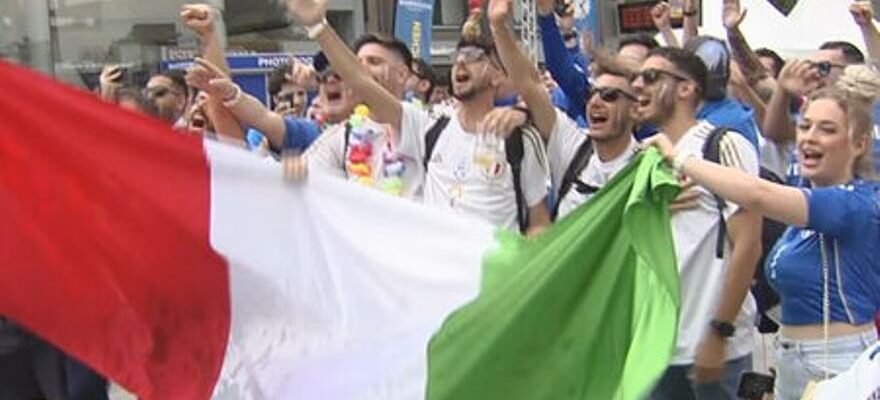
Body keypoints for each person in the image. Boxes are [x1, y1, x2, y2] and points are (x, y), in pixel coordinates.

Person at [646, 82, 880, 400]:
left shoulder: (854, 203)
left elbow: (757, 194)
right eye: (805, 125)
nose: (809, 137)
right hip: (792, 358)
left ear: (859, 144)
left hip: (837, 362)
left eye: (827, 129)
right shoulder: (808, 198)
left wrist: (679, 158)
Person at [285, 0, 551, 233]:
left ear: (498, 75)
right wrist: (319, 27)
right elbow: (361, 81)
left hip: (495, 282)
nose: (460, 62)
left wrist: (520, 268)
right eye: (457, 56)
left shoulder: (521, 139)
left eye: (473, 57)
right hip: (436, 281)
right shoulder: (430, 126)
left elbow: (539, 221)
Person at [632, 47, 762, 400]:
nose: (637, 86)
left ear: (686, 88)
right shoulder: (646, 155)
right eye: (636, 77)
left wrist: (719, 332)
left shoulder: (721, 145)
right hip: (654, 350)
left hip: (713, 349)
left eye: (650, 76)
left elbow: (748, 244)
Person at [488, 0, 639, 219]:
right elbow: (530, 85)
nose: (595, 102)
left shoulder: (651, 166)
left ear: (635, 109)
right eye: (591, 94)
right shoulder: (574, 149)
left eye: (609, 96)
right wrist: (498, 27)